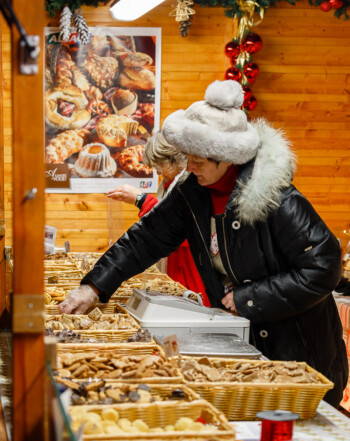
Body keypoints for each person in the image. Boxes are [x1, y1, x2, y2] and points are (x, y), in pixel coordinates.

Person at [59, 80, 348, 407]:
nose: (189, 166)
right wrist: (94, 287)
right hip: (243, 341)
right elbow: (144, 239)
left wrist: (250, 299)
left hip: (299, 349)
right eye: (188, 156)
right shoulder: (192, 191)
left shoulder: (278, 199)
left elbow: (324, 266)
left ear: (226, 157)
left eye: (198, 159)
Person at [106, 131, 210, 305]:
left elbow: (182, 230)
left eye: (159, 165)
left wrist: (141, 199)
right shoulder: (168, 184)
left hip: (191, 274)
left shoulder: (195, 185)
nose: (157, 171)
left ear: (174, 160)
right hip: (174, 269)